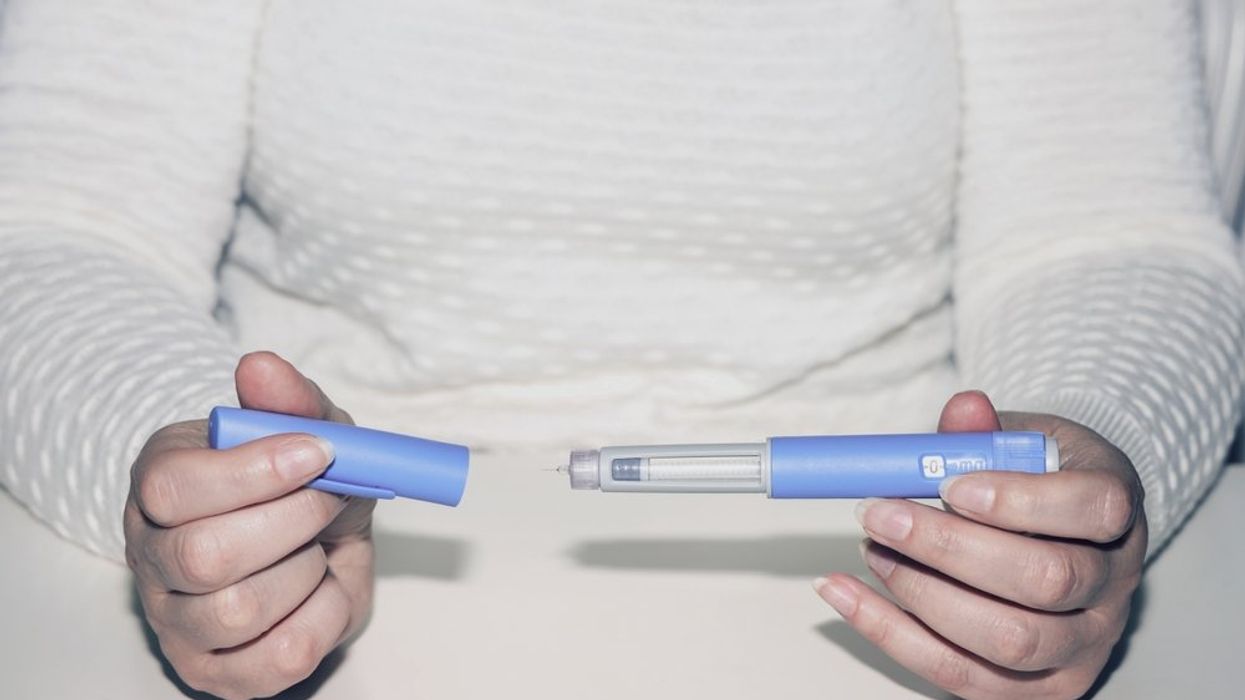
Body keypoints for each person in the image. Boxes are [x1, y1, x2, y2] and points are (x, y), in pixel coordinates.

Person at [0, 1, 1239, 698]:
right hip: (345, 585)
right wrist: (186, 477)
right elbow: (59, 225)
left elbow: (1114, 227)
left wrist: (1069, 486)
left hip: (898, 587)